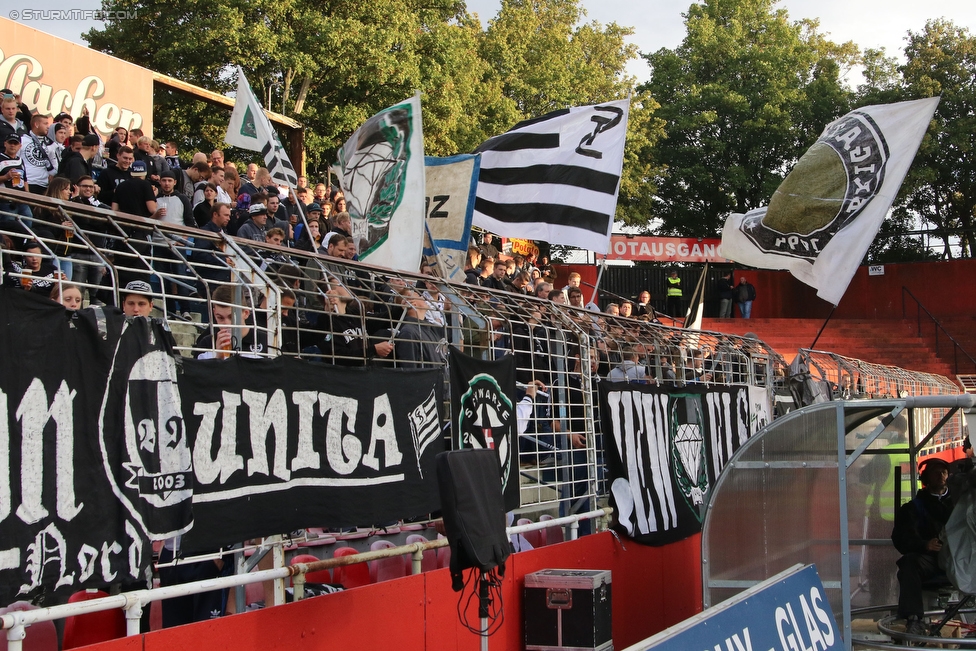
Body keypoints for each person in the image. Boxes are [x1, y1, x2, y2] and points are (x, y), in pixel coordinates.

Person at [892, 456, 954, 636]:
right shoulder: (913, 508)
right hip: (932, 562)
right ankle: (913, 619)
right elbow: (901, 539)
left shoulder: (961, 504)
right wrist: (924, 545)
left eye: (943, 472)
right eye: (935, 473)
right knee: (909, 563)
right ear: (925, 479)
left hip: (962, 560)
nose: (940, 476)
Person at [194, 284, 268, 358]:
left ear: (246, 313)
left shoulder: (265, 340)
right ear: (214, 313)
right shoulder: (207, 343)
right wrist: (218, 358)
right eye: (220, 317)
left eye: (232, 317)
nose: (226, 324)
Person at [0, 133, 32, 222]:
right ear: (5, 143)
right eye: (10, 143)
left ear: (20, 146)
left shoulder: (20, 160)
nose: (13, 145)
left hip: (21, 201)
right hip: (6, 201)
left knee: (28, 221)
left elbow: (25, 179)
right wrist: (6, 177)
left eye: (15, 143)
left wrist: (27, 194)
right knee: (9, 225)